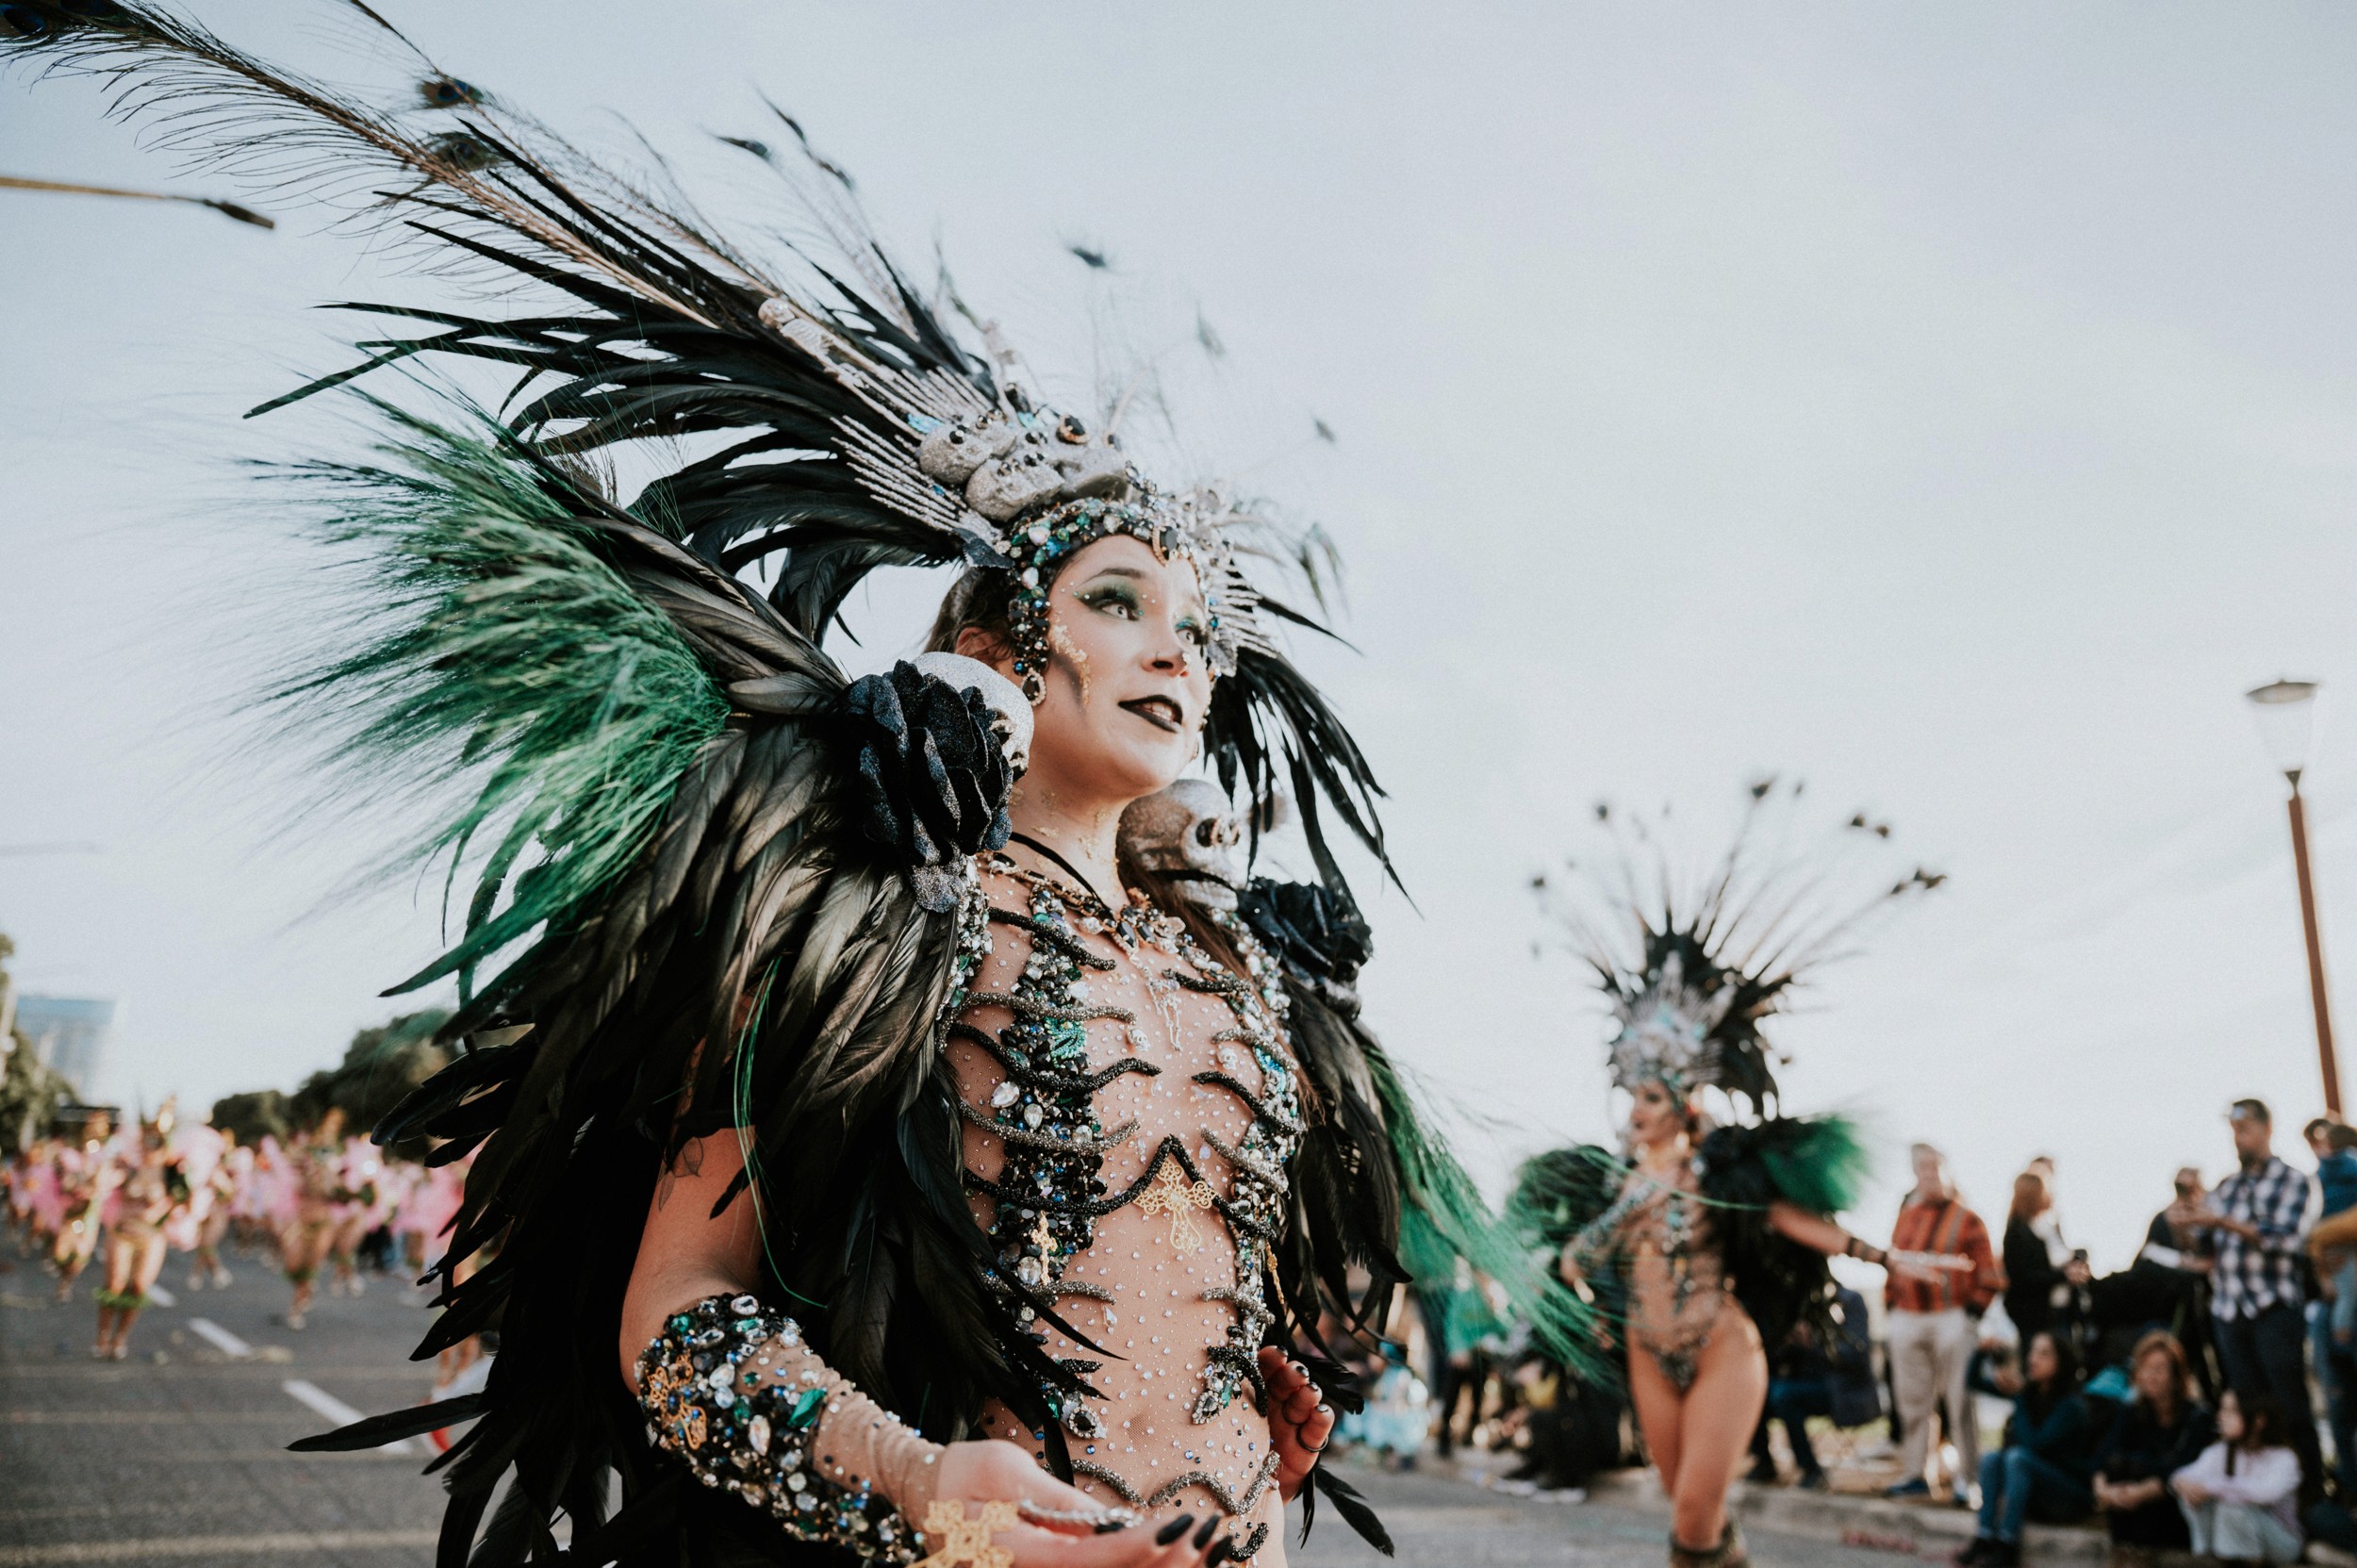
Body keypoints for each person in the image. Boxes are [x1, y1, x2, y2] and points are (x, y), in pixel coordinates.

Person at [7, 18, 1599, 1564]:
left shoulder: (1232, 963)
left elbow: (1212, 1313)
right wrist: (923, 1487)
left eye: (1199, 624)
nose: (1175, 646)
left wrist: (1253, 1408)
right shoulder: (869, 912)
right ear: (996, 643)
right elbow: (677, 1316)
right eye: (1118, 599)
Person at [1542, 786, 1953, 1568]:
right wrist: (1592, 1290)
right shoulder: (1614, 1182)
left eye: (1652, 1096)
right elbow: (1574, 1261)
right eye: (1633, 1095)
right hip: (1647, 1347)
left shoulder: (1715, 1166)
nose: (1637, 1109)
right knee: (1690, 1515)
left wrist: (1884, 1256)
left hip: (1720, 1340)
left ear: (1683, 1103)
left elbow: (1785, 1219)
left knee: (1693, 1513)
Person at [2195, 1099, 2321, 1498]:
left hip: (2273, 1306)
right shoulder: (2227, 1186)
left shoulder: (2293, 1180)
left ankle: (2310, 1496)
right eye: (2234, 1131)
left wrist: (2222, 1221)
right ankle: (2255, 1493)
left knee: (2289, 1405)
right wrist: (2189, 1221)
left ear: (2267, 1129)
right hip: (2229, 1310)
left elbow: (2285, 1239)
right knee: (2246, 1413)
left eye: (2245, 1129)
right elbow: (2204, 1247)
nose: (2238, 1138)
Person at [1883, 1145, 2002, 1503]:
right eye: (1922, 1167)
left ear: (1947, 1169)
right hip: (1908, 1316)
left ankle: (1969, 1479)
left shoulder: (1968, 1219)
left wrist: (1971, 1315)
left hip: (1952, 1315)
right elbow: (1893, 1260)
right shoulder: (1907, 1214)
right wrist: (1892, 1306)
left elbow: (1989, 1275)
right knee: (1912, 1400)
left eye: (1935, 1166)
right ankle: (1916, 1473)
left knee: (1960, 1399)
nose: (1929, 1174)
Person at [1957, 1331, 2095, 1567]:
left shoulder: (2071, 1406)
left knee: (2017, 1458)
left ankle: (2007, 1544)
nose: (2033, 1359)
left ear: (2061, 1363)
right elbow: (1973, 1382)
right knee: (1991, 1458)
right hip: (2038, 1491)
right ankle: (1984, 1536)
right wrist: (1981, 1352)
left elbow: (2033, 1445)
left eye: (2044, 1354)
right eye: (2032, 1351)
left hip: (2068, 1498)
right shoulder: (2029, 1392)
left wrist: (2019, 1397)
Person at [2089, 1330, 2214, 1552]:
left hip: (2172, 1508)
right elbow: (2103, 1455)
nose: (2151, 1376)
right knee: (2119, 1467)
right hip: (2128, 1505)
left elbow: (2181, 1468)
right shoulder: (2132, 1411)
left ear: (2176, 1376)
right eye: (2145, 1368)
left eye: (2159, 1369)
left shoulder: (2197, 1417)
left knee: (2138, 1468)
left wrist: (2139, 1493)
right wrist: (2104, 1490)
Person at [1745, 1283, 1877, 1490]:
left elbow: (1855, 1354)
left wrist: (1812, 1343)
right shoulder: (1796, 1303)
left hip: (1842, 1390)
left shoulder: (1849, 1300)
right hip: (1806, 1384)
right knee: (1755, 1390)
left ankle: (1811, 1470)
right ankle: (1764, 1463)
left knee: (1784, 1395)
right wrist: (1785, 1340)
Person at [2171, 1389, 2302, 1563]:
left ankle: (2242, 1561)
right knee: (2193, 1499)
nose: (2220, 1416)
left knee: (2232, 1509)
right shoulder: (2221, 1451)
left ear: (2259, 1420)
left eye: (2230, 1411)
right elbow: (2182, 1475)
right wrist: (2183, 1484)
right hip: (2228, 1538)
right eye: (2222, 1409)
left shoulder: (2283, 1457)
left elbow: (2265, 1494)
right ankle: (2206, 1558)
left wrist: (2212, 1488)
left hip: (2281, 1541)